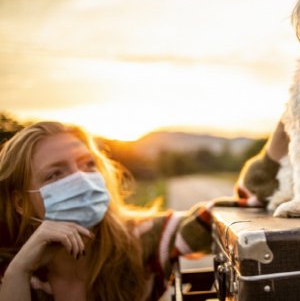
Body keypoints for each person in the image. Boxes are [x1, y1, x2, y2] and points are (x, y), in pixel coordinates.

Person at [0, 121, 212, 301]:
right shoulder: (10, 270)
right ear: (20, 203)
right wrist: (18, 273)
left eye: (88, 164)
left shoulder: (142, 237)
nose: (81, 179)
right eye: (55, 174)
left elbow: (215, 220)